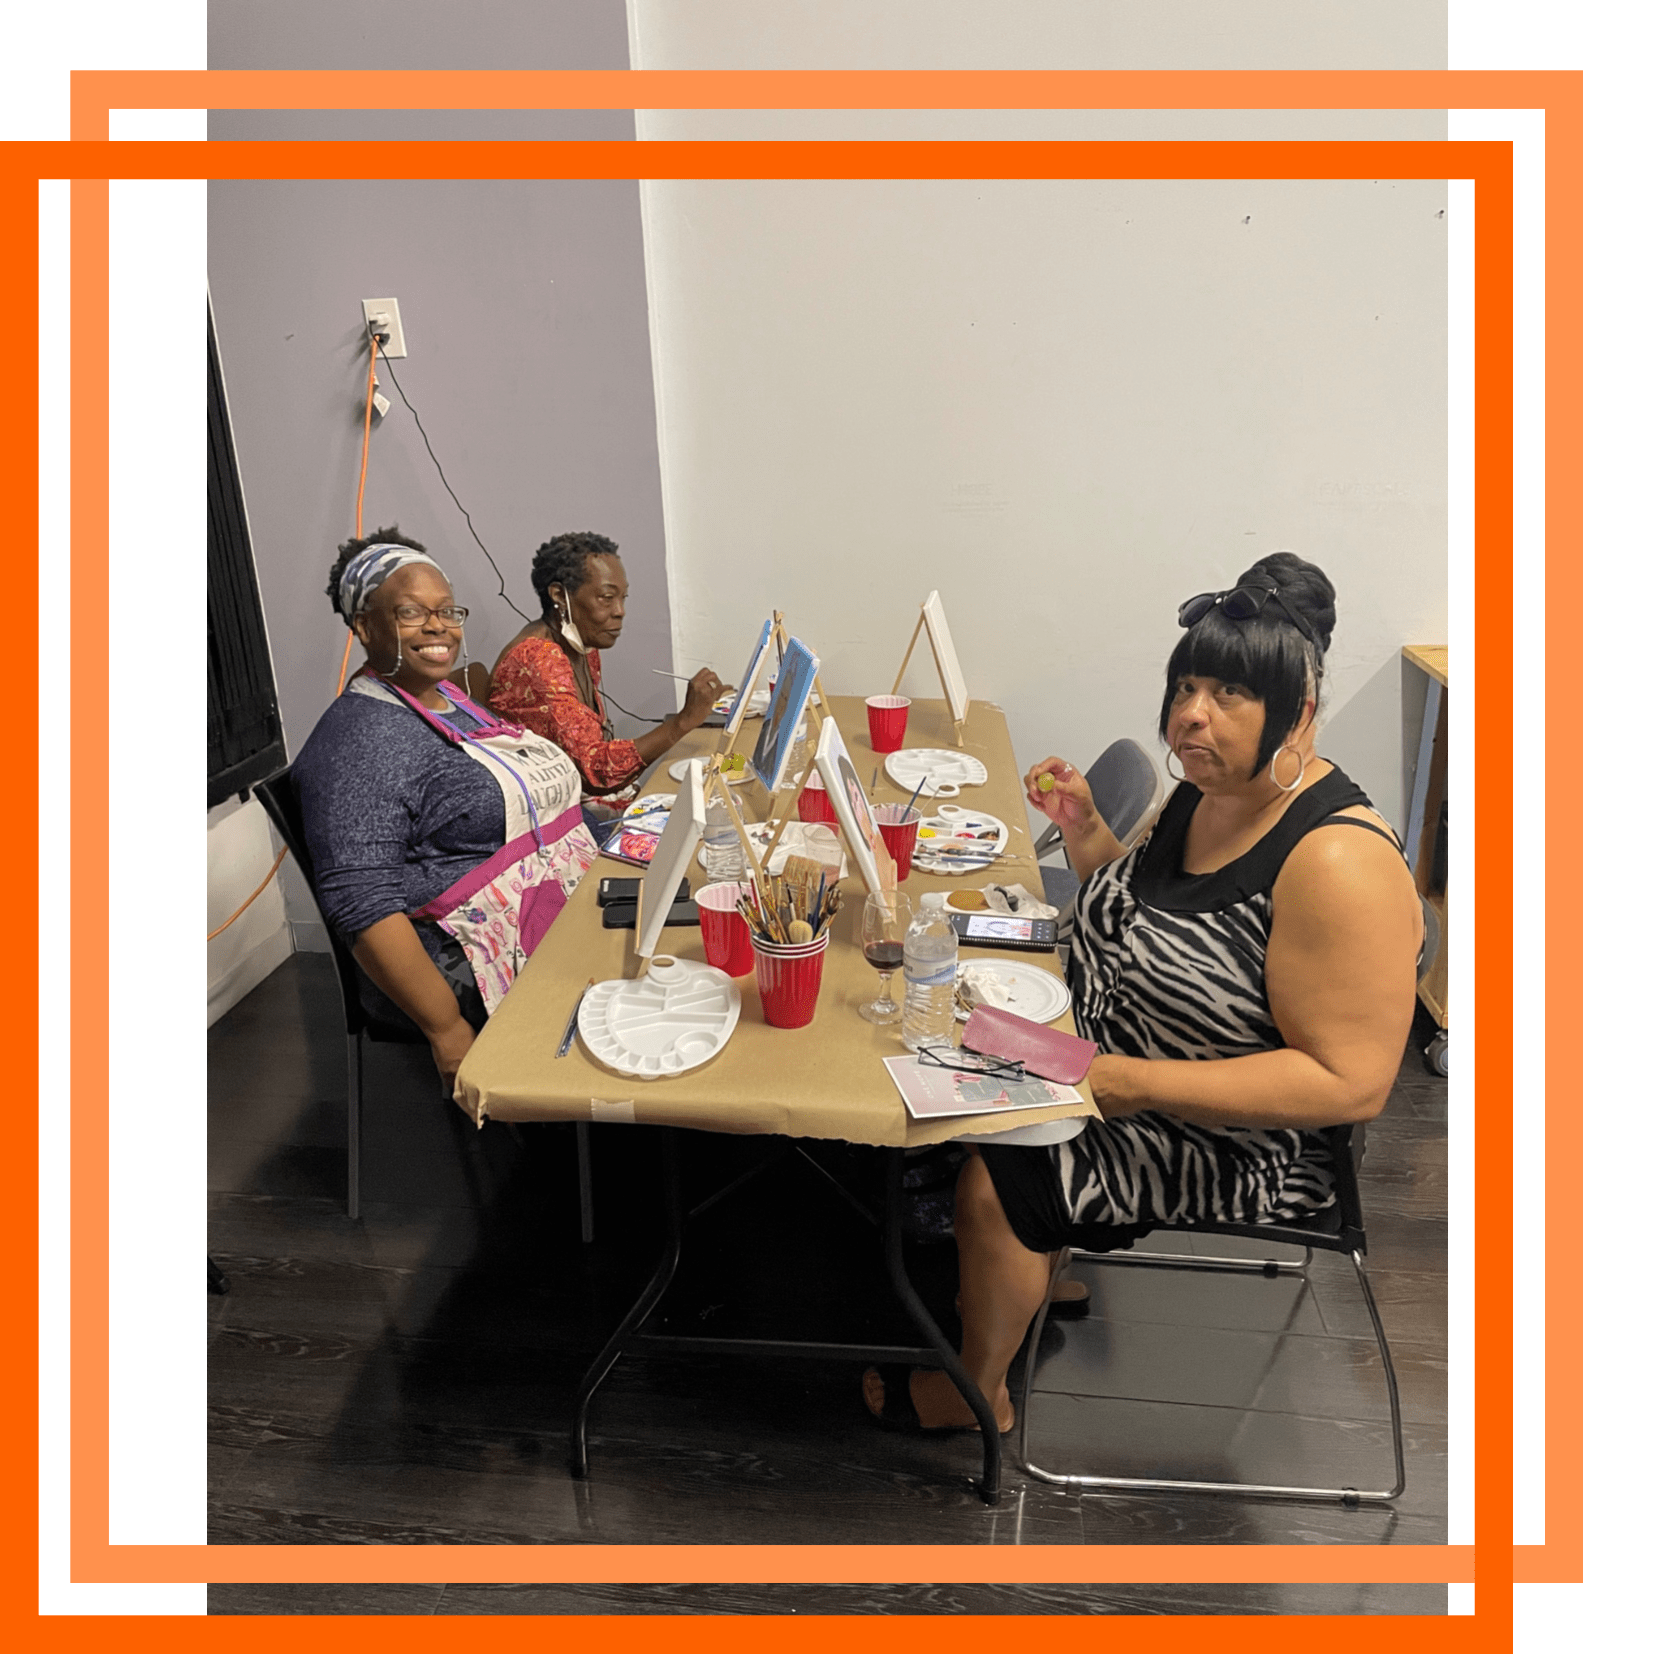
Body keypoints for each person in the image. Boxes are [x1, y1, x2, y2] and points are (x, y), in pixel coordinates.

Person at [863, 552, 1423, 1433]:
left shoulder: (1340, 862)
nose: (1192, 716)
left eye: (1229, 696)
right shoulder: (1209, 791)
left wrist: (1125, 1083)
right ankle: (1021, 1268)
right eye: (1187, 686)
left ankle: (979, 1393)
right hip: (1099, 1060)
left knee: (996, 1175)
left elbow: (1350, 1083)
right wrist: (1084, 829)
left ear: (1299, 711)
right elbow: (1137, 909)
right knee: (900, 1053)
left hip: (1223, 1139)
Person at [291, 529, 598, 1093]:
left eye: (446, 611)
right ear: (364, 626)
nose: (438, 627)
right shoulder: (360, 740)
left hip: (553, 904)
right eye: (410, 612)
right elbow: (362, 902)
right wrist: (447, 1029)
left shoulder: (449, 699)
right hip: (471, 954)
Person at [487, 531, 730, 816]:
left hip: (597, 799)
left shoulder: (581, 644)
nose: (620, 611)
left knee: (727, 772)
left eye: (623, 598)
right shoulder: (538, 659)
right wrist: (683, 721)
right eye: (606, 598)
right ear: (559, 596)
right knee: (712, 811)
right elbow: (597, 774)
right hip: (562, 818)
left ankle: (743, 765)